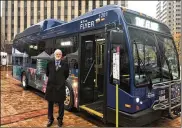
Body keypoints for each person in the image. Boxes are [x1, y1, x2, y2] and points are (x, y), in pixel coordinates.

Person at [45, 49, 69, 127]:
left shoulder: (65, 64)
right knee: (50, 104)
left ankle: (60, 119)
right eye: (57, 54)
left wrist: (60, 80)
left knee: (61, 104)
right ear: (54, 55)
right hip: (51, 87)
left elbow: (66, 75)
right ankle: (50, 119)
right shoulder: (49, 63)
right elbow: (47, 73)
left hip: (60, 87)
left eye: (59, 54)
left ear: (61, 55)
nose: (58, 55)